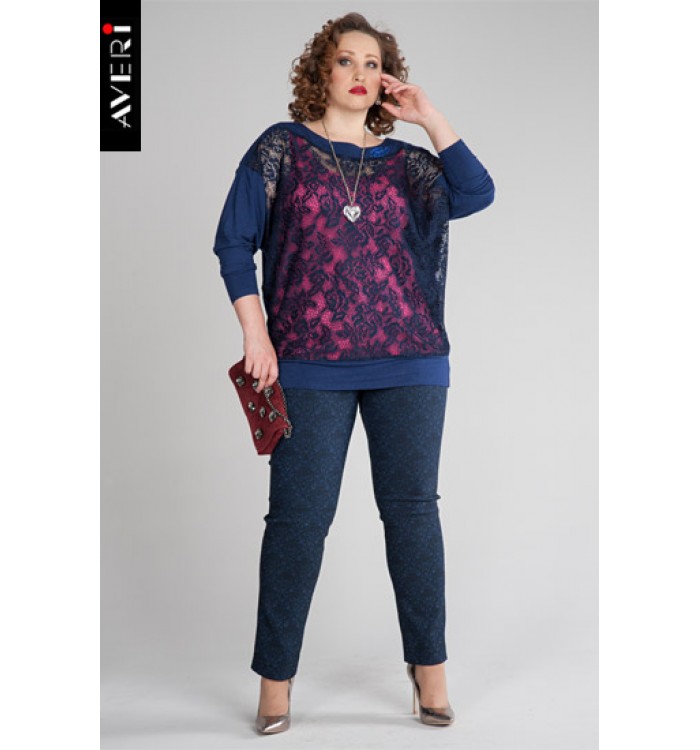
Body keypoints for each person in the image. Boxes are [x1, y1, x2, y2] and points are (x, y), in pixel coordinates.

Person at [212, 12, 495, 735]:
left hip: (412, 359)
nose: (361, 73)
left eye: (374, 63)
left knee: (413, 515)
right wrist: (256, 333)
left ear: (387, 79)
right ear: (322, 70)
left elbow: (476, 192)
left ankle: (429, 670)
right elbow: (234, 242)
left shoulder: (409, 165)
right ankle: (276, 679)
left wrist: (428, 116)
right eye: (347, 60)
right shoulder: (281, 149)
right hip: (308, 362)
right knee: (298, 522)